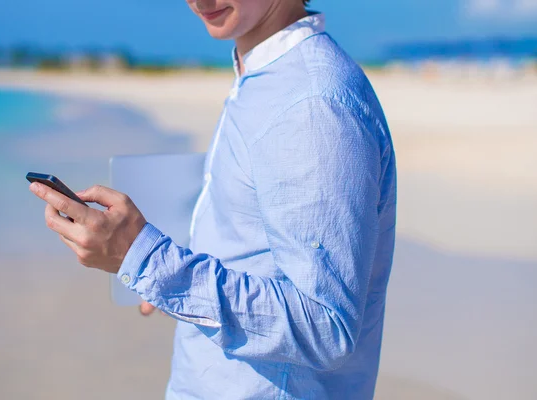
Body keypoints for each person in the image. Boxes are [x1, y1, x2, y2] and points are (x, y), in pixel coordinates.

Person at [29, 0, 397, 398]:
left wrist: (145, 259)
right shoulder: (263, 74)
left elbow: (324, 327)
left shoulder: (309, 105)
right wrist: (171, 276)